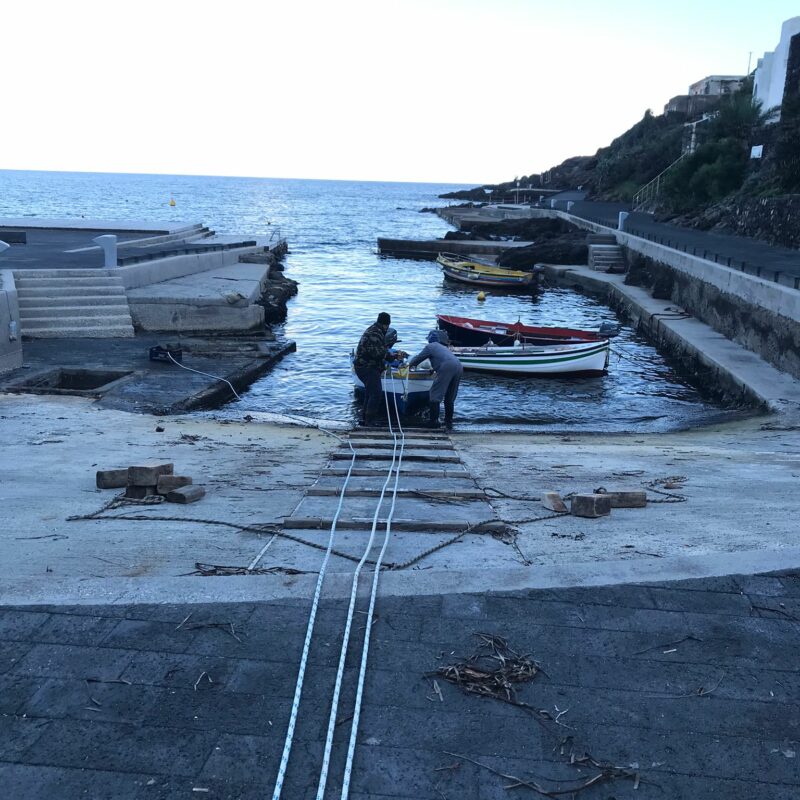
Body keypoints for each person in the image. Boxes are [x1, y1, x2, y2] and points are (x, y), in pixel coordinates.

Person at [407, 330, 463, 429]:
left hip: (447, 367)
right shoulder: (443, 348)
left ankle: (433, 422)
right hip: (459, 366)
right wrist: (434, 369)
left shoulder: (430, 347)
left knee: (435, 394)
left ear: (430, 339)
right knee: (450, 397)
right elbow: (443, 359)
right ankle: (448, 421)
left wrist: (408, 366)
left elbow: (418, 359)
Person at [353, 312, 392, 425]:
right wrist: (390, 356)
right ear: (386, 324)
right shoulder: (375, 333)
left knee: (370, 393)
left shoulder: (374, 330)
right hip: (367, 367)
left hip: (363, 366)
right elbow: (377, 353)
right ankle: (369, 421)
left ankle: (364, 419)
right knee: (376, 393)